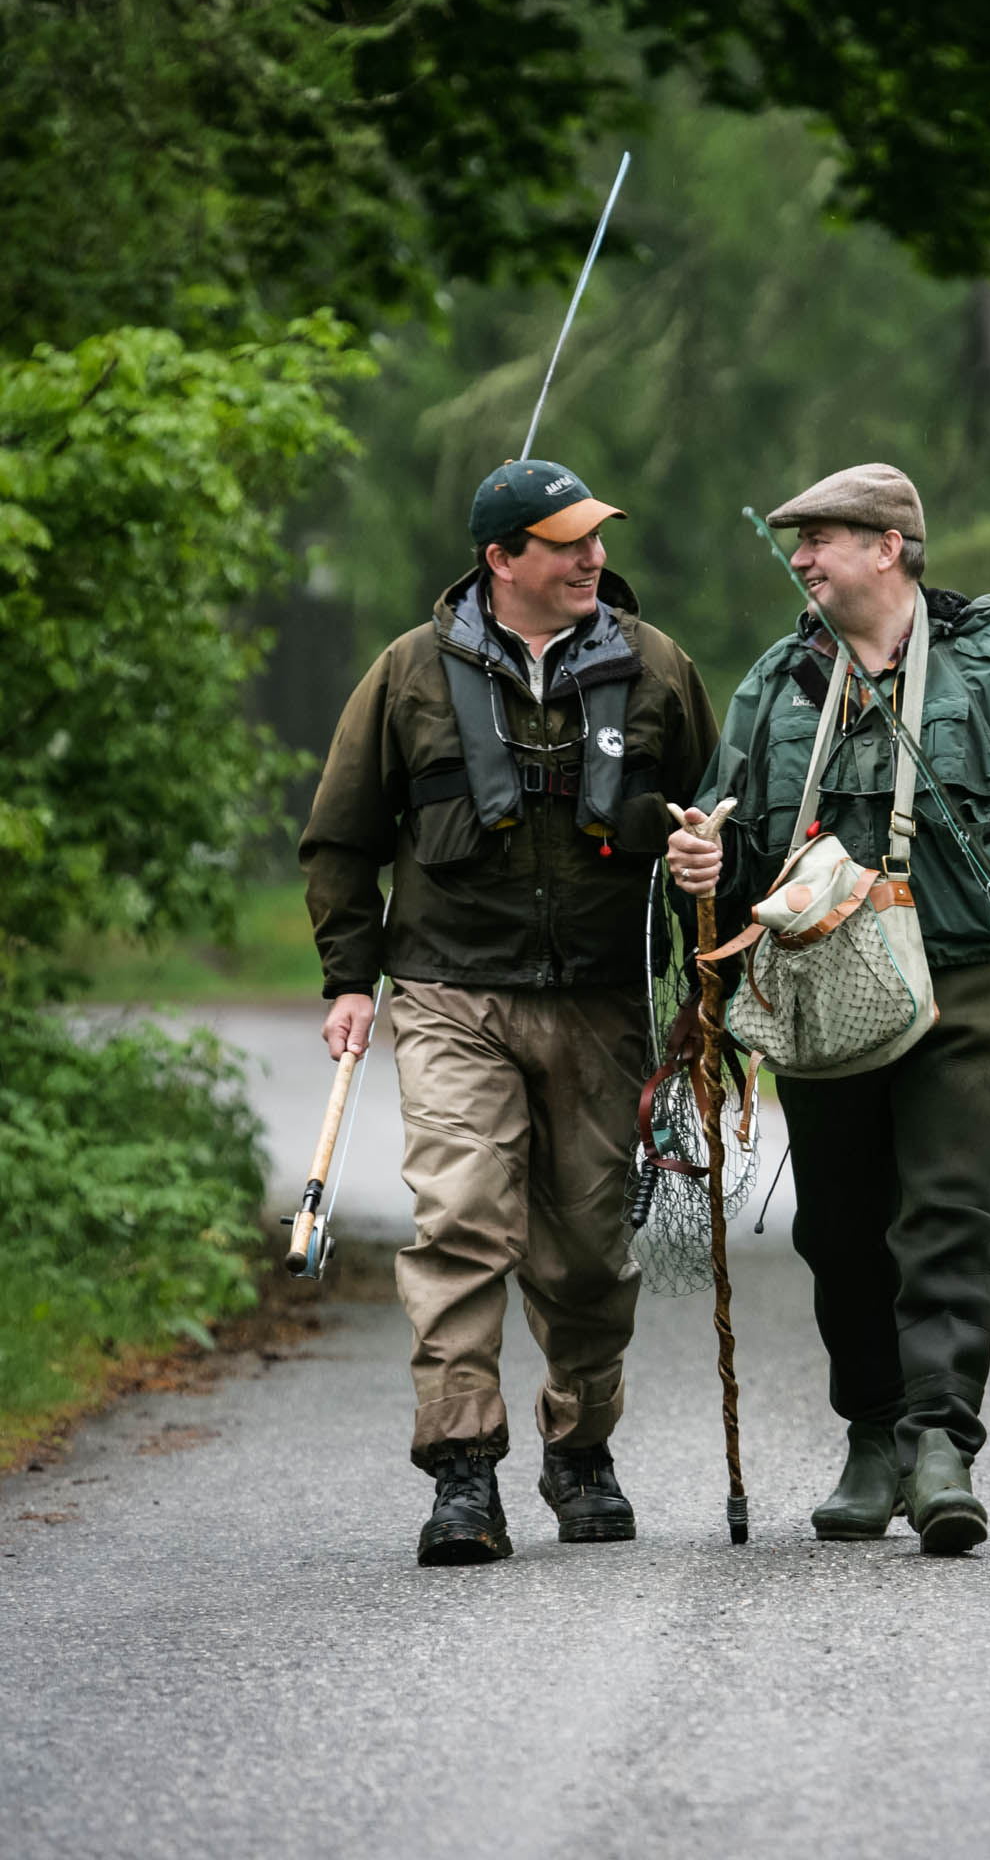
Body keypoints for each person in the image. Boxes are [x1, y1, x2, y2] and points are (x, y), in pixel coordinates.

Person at [668, 463, 990, 1554]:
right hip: (820, 987)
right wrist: (699, 860)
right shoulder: (775, 682)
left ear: (889, 546)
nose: (801, 556)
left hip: (960, 977)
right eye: (795, 539)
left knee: (946, 1216)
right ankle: (871, 1435)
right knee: (838, 1227)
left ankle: (939, 1443)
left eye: (821, 536)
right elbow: (728, 859)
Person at [301, 459, 717, 1565]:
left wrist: (708, 969)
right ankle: (462, 1471)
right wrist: (350, 975)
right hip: (448, 990)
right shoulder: (409, 674)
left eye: (595, 537)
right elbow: (341, 836)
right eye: (566, 540)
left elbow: (726, 828)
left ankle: (581, 1450)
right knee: (462, 1224)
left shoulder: (658, 667)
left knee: (588, 1251)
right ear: (502, 557)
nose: (592, 556)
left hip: (602, 998)